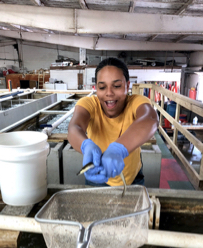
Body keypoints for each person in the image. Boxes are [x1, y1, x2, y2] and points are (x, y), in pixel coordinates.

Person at [68, 57, 159, 187]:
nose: (109, 93)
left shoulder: (135, 102)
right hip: (97, 178)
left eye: (116, 86)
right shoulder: (89, 104)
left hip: (133, 179)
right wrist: (85, 144)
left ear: (127, 86)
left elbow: (150, 119)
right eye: (102, 87)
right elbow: (74, 127)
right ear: (96, 88)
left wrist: (119, 149)